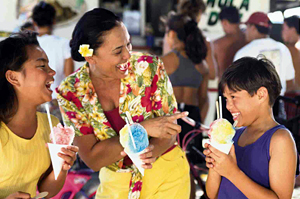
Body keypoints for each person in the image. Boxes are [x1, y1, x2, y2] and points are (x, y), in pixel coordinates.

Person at [56, 8, 190, 199]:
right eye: (118, 50)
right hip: (115, 185)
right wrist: (141, 129)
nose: (127, 55)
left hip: (166, 174)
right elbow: (93, 159)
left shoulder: (149, 67)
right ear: (90, 56)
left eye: (128, 44)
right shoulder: (70, 92)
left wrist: (149, 153)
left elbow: (169, 128)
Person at [204, 57, 298, 199]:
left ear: (261, 95)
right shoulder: (232, 136)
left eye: (233, 97)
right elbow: (213, 194)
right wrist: (215, 166)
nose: (228, 106)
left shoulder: (280, 140)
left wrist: (231, 172)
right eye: (226, 99)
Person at [0, 31, 78, 198]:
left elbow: (46, 191)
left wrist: (62, 167)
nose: (53, 72)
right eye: (42, 66)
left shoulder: (52, 126)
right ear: (13, 77)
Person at [161, 13, 208, 199]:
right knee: (189, 167)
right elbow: (203, 99)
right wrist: (198, 124)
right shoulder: (201, 65)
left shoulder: (168, 60)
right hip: (193, 117)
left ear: (173, 34)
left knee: (172, 165)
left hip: (173, 116)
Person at [234, 12, 295, 96]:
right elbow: (290, 84)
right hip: (278, 103)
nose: (245, 31)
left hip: (253, 104)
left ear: (253, 27)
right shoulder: (283, 49)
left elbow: (236, 86)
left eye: (247, 27)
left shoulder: (243, 52)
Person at [32, 1, 74, 99]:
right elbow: (68, 79)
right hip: (56, 99)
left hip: (33, 100)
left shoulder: (29, 45)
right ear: (54, 21)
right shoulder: (64, 44)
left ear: (34, 22)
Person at [213, 6, 247, 80]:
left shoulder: (217, 44)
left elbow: (213, 73)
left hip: (226, 87)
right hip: (247, 86)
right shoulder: (248, 40)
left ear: (224, 22)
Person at [282, 15, 300, 92]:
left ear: (292, 30)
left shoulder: (286, 50)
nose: (282, 32)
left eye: (284, 29)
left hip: (289, 98)